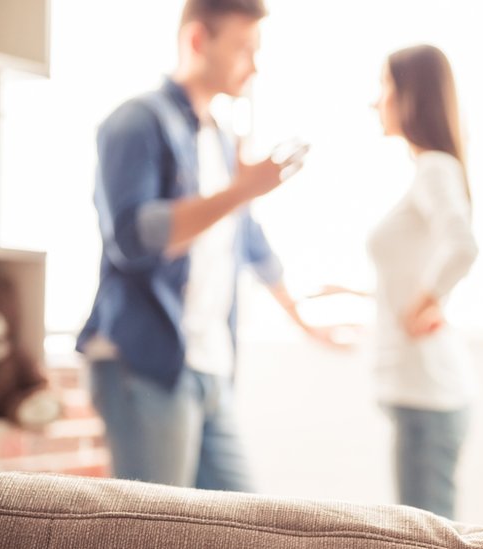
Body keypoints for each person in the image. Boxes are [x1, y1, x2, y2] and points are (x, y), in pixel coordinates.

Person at [76, 0, 334, 492]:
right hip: (146, 361)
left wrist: (300, 317)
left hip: (211, 362)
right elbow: (133, 239)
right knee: (152, 528)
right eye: (242, 49)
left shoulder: (216, 135)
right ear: (198, 41)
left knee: (247, 524)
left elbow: (246, 238)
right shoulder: (136, 121)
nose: (253, 66)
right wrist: (241, 190)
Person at [368, 44, 478, 519]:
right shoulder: (426, 172)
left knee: (422, 535)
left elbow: (463, 246)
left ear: (410, 96)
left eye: (385, 87)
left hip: (428, 395)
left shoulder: (434, 168)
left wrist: (424, 305)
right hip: (418, 393)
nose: (376, 100)